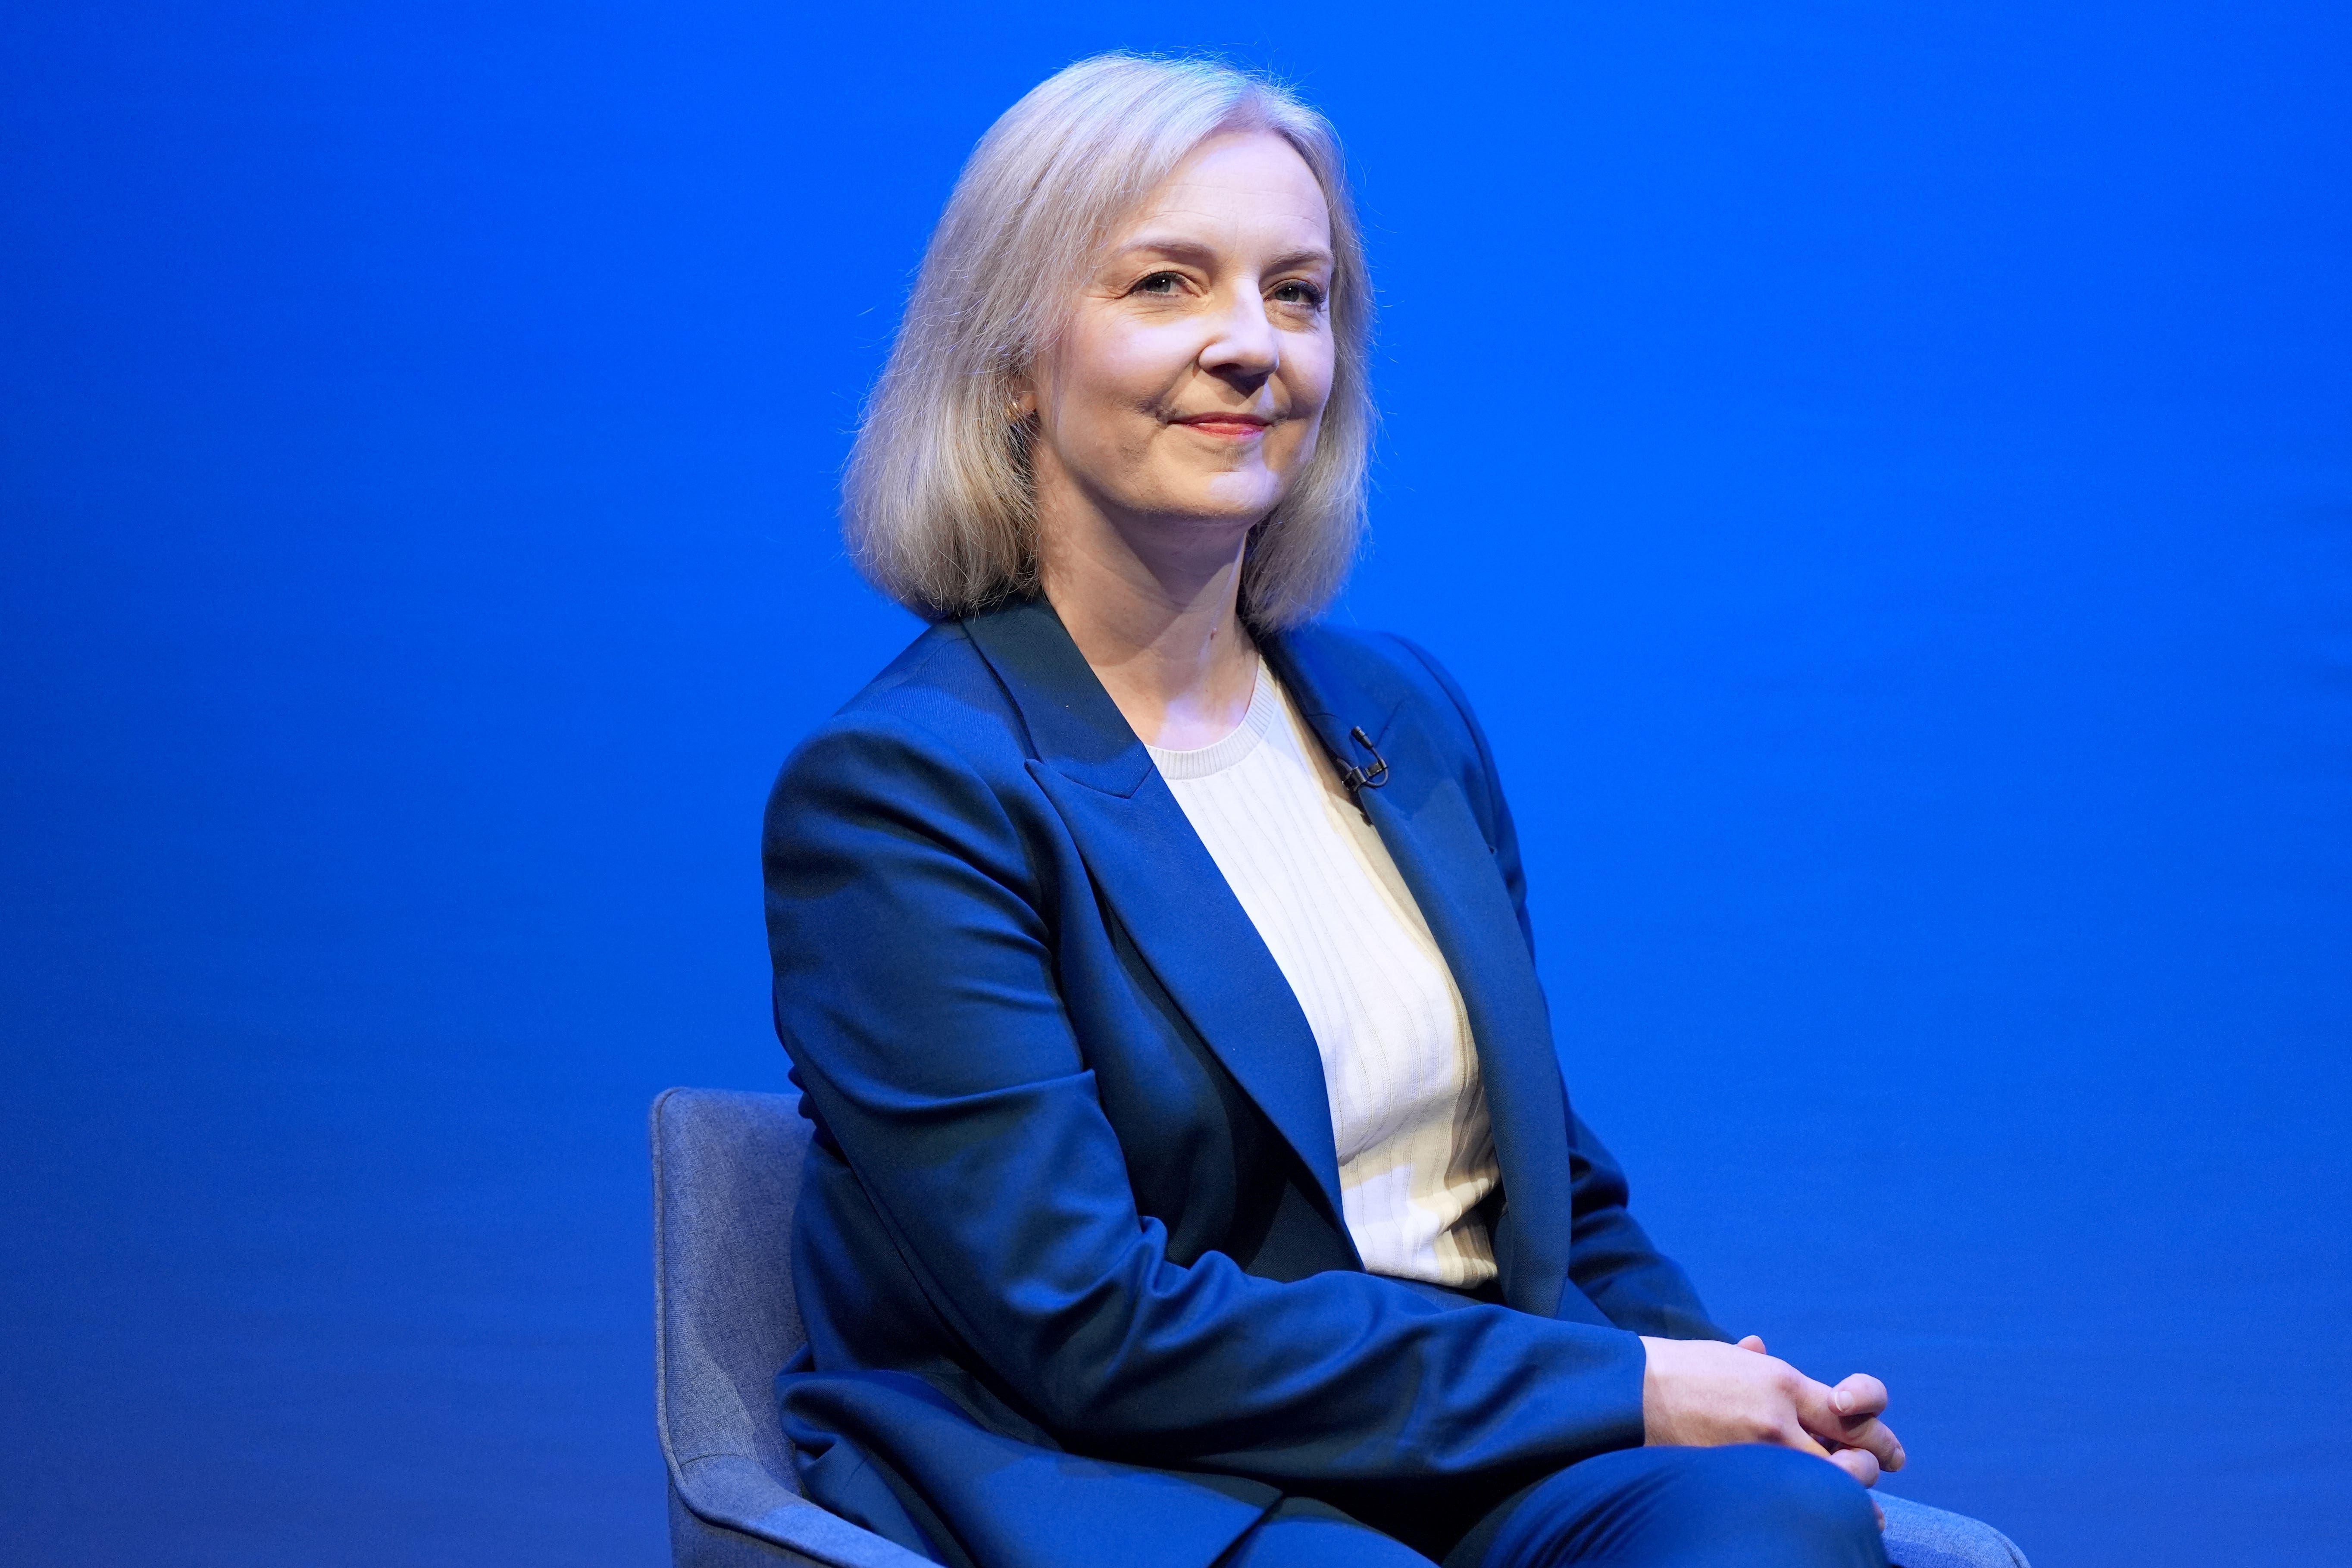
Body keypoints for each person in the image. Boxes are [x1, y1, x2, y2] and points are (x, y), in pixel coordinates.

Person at [762, 53, 2029, 1568]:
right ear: (1014, 361)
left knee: (1780, 1523)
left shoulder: (1400, 714)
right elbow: (1090, 1327)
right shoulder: (909, 789)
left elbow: (1551, 1187)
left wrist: (1739, 1386)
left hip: (1469, 1441)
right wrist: (1630, 1389)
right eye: (1168, 284)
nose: (1251, 347)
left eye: (1296, 295)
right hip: (1121, 1465)